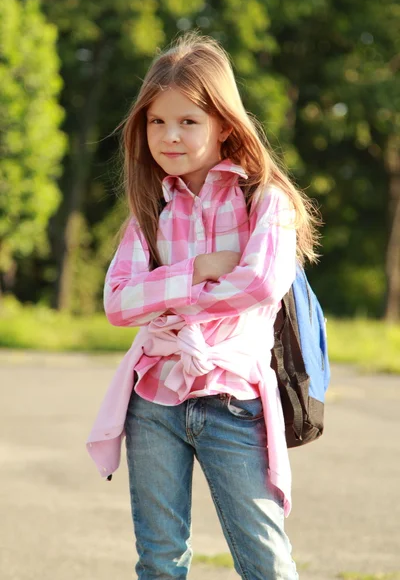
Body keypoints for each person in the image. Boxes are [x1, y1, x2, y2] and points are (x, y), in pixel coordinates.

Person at [86, 30, 320, 580]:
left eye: (188, 121)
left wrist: (165, 291)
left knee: (266, 563)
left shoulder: (266, 200)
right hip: (154, 400)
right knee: (160, 561)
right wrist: (196, 271)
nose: (169, 136)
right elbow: (117, 304)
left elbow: (260, 283)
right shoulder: (149, 211)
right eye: (156, 122)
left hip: (233, 400)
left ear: (224, 125)